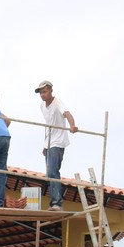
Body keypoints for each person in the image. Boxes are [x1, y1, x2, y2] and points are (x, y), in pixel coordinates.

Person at [35, 80, 78, 210]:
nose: (42, 95)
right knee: (49, 174)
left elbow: (67, 114)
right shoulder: (42, 106)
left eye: (44, 91)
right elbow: (48, 126)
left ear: (51, 91)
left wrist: (72, 125)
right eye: (41, 93)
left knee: (53, 172)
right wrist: (44, 145)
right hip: (49, 142)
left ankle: (57, 203)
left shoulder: (57, 102)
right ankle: (55, 202)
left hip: (58, 142)